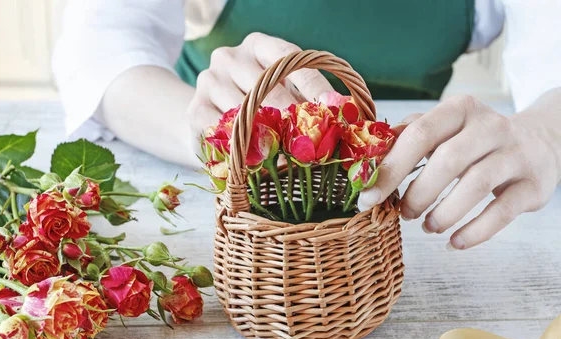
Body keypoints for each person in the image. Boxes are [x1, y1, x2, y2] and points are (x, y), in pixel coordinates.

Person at [52, 0, 561, 251]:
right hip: (215, 161)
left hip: (386, 174)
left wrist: (546, 130)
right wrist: (213, 134)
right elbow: (100, 47)